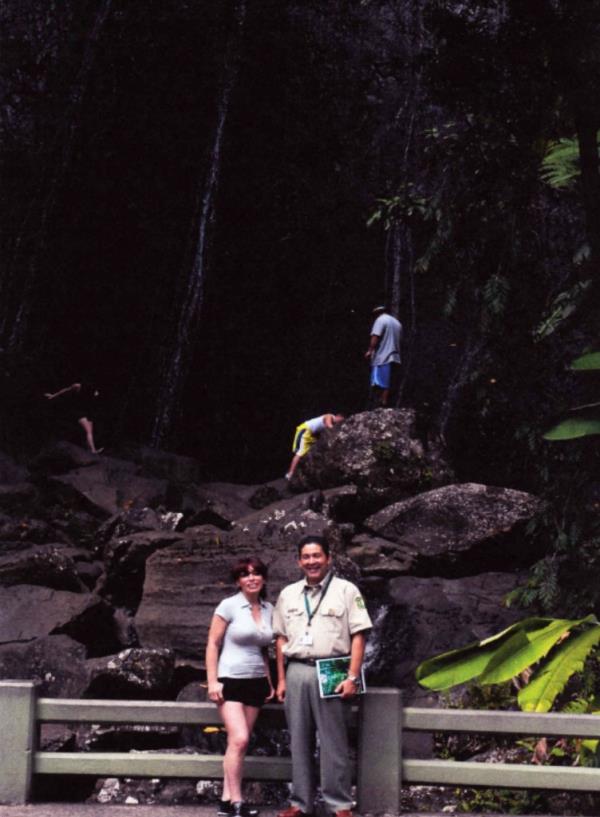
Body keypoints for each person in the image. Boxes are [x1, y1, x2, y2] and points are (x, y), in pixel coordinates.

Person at [273, 535, 372, 817]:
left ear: (329, 558)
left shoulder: (346, 590)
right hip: (297, 671)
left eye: (317, 556)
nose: (312, 561)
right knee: (299, 741)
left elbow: (359, 635)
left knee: (334, 742)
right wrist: (281, 680)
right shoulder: (288, 594)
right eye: (306, 557)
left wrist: (352, 677)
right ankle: (300, 803)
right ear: (298, 561)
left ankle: (339, 805)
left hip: (332, 671)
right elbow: (280, 640)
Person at [206, 557, 275, 817]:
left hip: (256, 681)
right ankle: (237, 802)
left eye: (256, 573)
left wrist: (269, 680)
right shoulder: (229, 606)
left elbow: (265, 649)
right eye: (245, 575)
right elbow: (213, 644)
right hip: (230, 680)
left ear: (264, 578)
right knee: (239, 738)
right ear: (238, 581)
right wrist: (213, 681)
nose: (251, 578)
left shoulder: (269, 608)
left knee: (240, 745)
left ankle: (225, 800)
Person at [44, 381, 103, 453]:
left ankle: (90, 449)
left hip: (87, 412)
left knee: (89, 432)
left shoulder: (93, 391)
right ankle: (92, 450)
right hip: (80, 412)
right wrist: (53, 395)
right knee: (88, 431)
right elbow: (66, 390)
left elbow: (93, 401)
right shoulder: (78, 386)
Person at [364, 305, 402, 408]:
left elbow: (375, 336)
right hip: (395, 357)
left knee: (379, 383)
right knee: (389, 383)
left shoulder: (380, 320)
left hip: (382, 357)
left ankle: (379, 405)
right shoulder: (397, 323)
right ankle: (386, 404)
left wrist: (370, 350)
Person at [285, 414, 344, 481]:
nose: (340, 422)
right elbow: (329, 426)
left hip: (310, 434)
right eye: (341, 420)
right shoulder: (329, 416)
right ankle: (290, 474)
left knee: (312, 449)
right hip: (305, 430)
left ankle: (301, 472)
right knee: (300, 453)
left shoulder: (331, 419)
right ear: (338, 416)